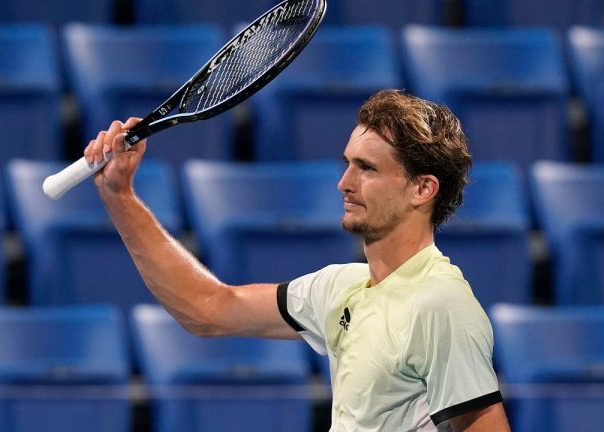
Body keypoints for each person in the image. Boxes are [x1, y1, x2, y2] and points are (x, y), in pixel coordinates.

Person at [83, 89, 511, 432]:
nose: (344, 183)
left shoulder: (440, 304)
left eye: (367, 168)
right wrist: (120, 196)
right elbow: (207, 309)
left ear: (423, 189)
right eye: (348, 164)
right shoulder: (340, 289)